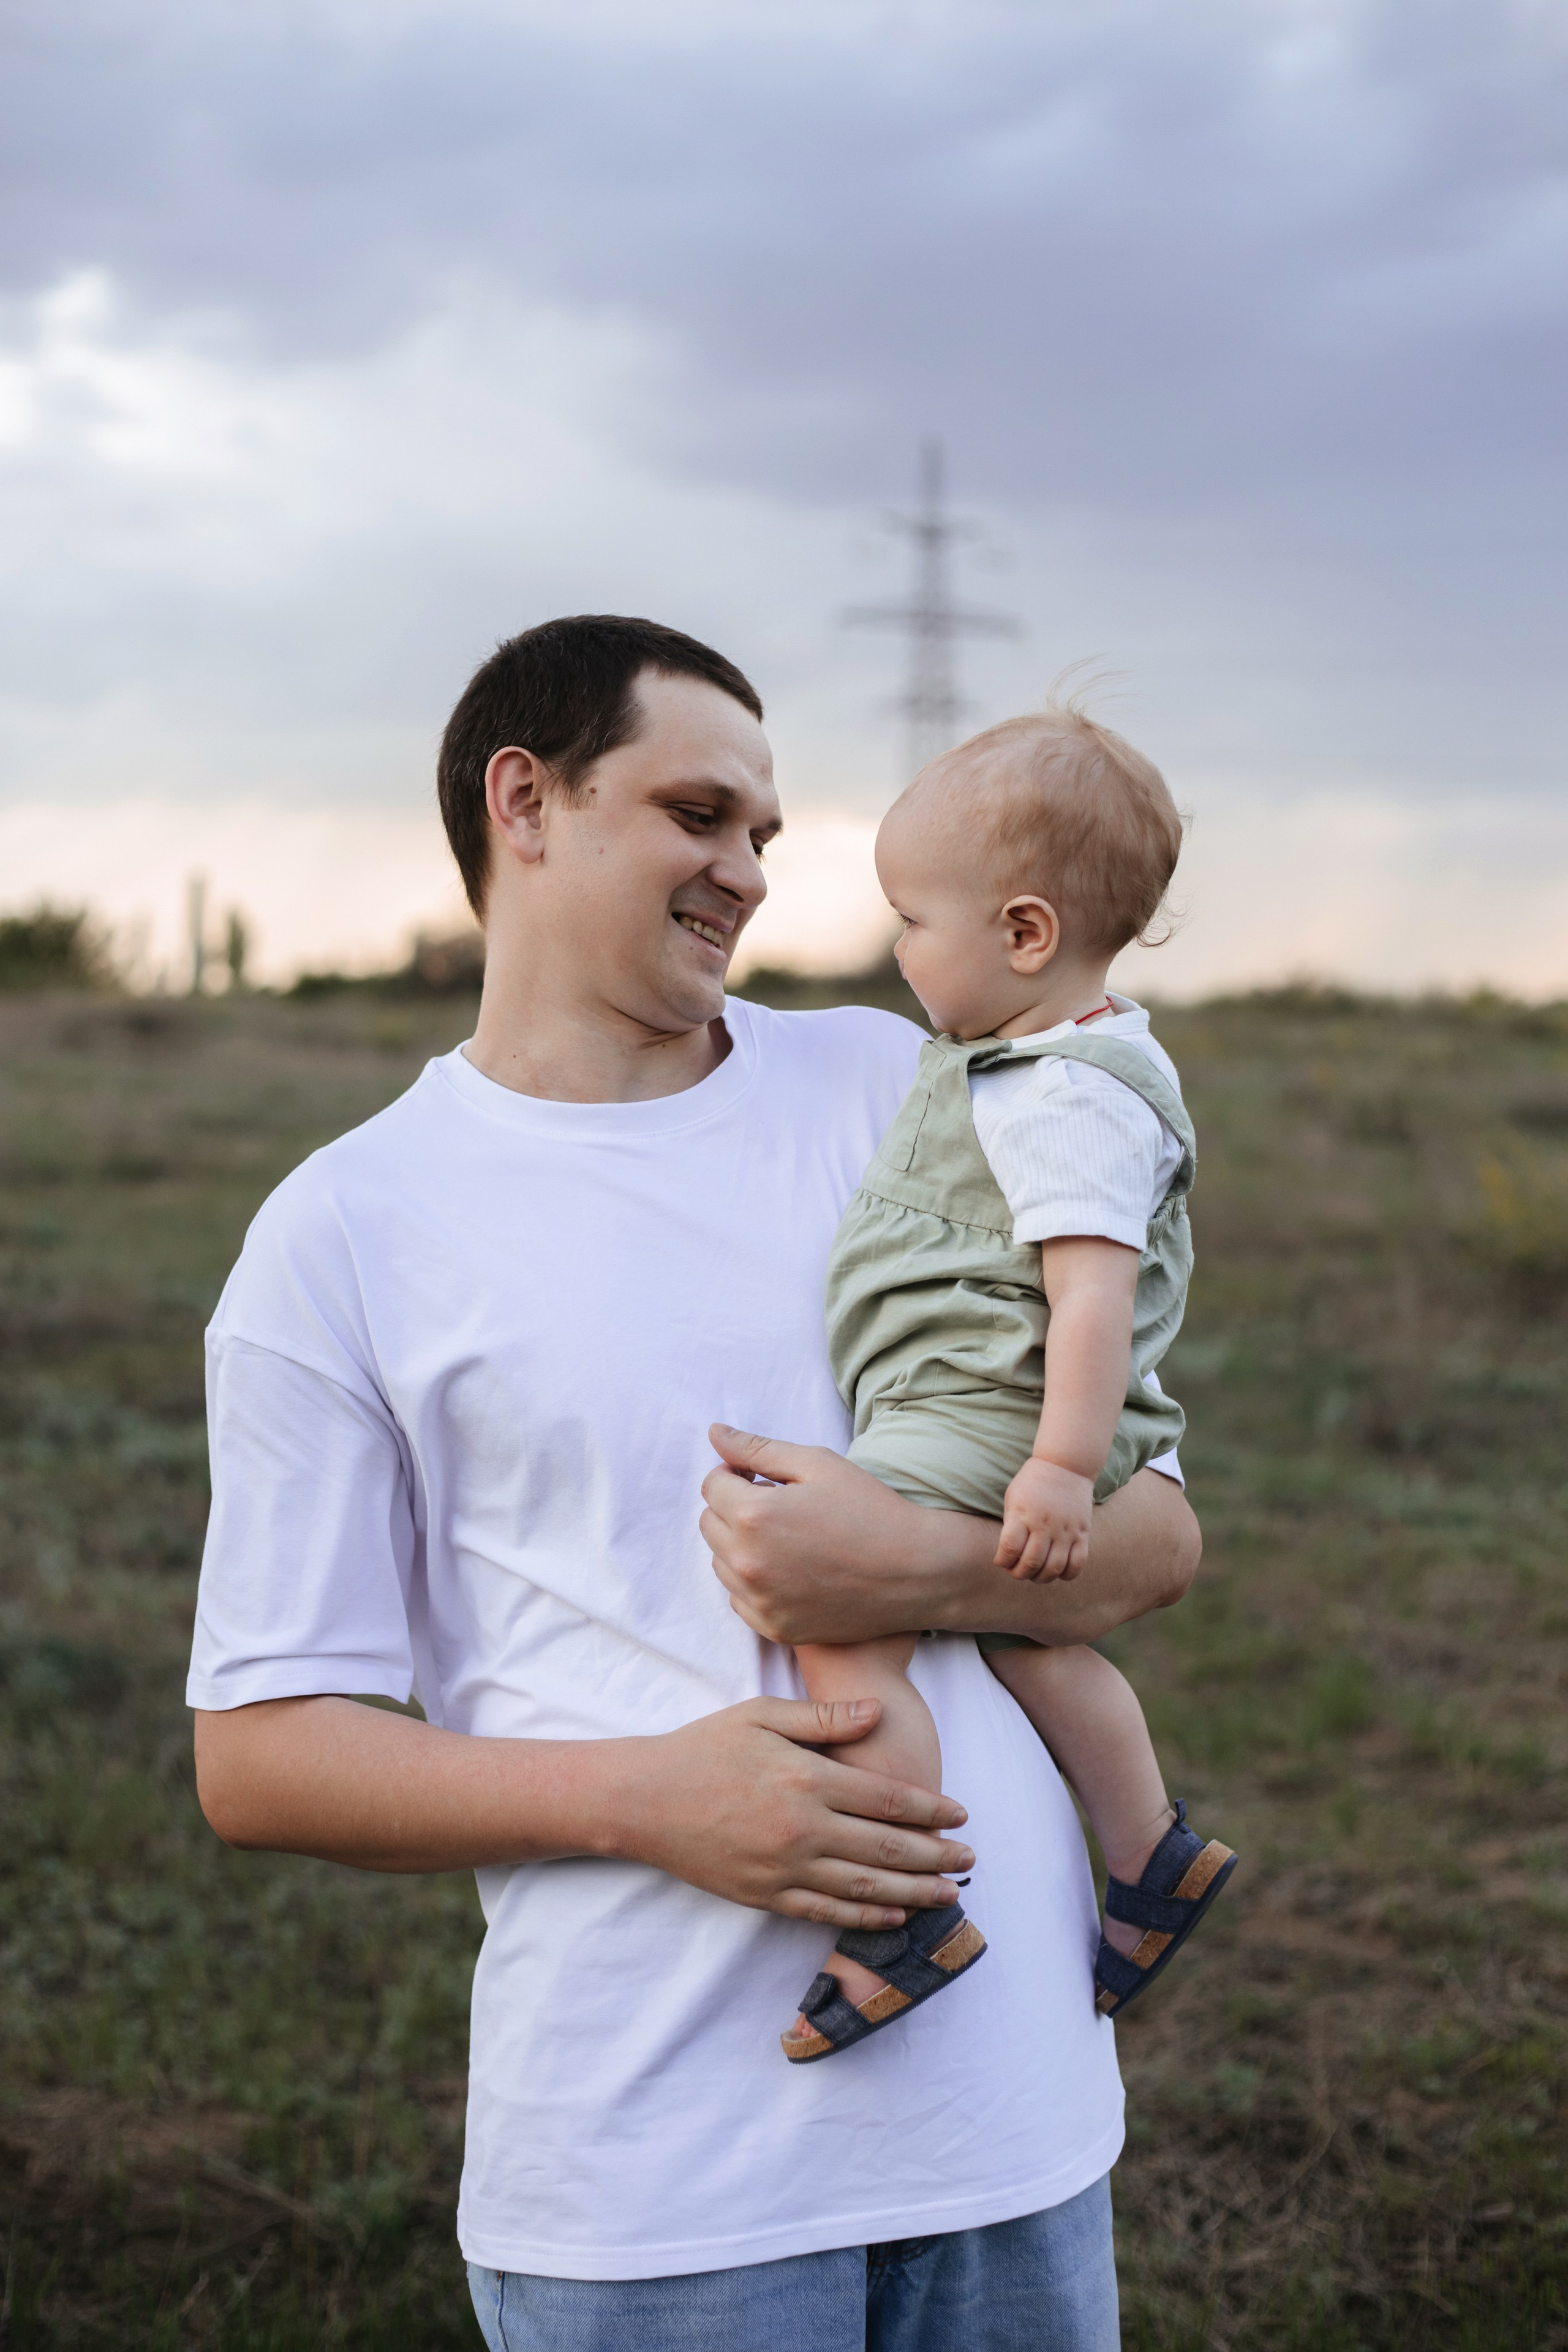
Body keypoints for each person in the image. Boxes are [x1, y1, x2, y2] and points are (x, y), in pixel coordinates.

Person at [187, 614, 1201, 2352]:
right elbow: (262, 1757)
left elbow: (1159, 1534)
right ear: (526, 800)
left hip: (1015, 2143)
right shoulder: (343, 1234)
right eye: (698, 813)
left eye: (765, 833)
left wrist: (897, 1570)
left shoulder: (912, 1088)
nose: (746, 868)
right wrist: (647, 1800)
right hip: (657, 2196)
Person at [782, 709, 1236, 2064]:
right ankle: (1150, 1852)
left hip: (990, 1411)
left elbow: (1090, 1296)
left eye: (913, 920)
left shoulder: (1060, 1092)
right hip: (988, 1408)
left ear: (1024, 936)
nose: (897, 949)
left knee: (835, 1606)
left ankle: (898, 1911)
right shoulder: (1033, 1062)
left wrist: (1052, 1466)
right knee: (1029, 1637)